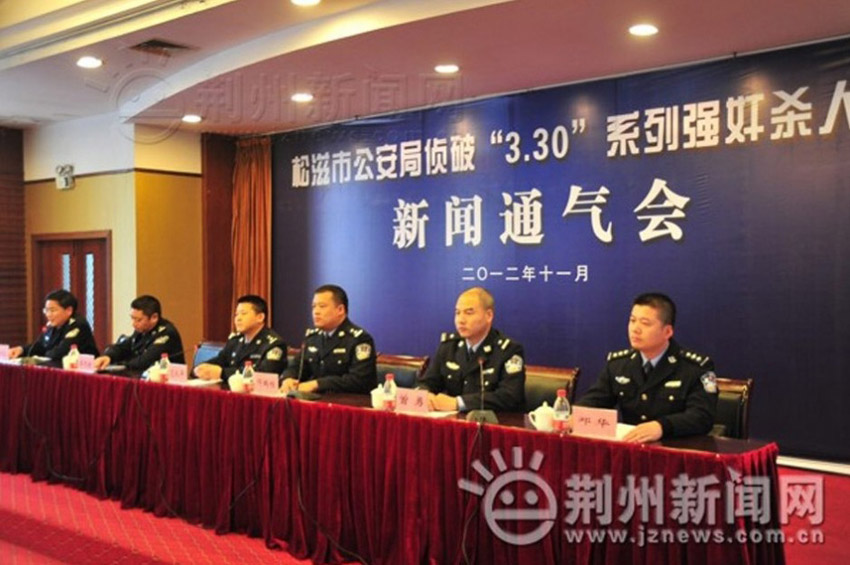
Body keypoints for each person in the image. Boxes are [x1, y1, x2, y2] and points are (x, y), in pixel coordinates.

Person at [575, 292, 718, 443]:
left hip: (674, 448)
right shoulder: (618, 364)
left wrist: (662, 427)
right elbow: (594, 400)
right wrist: (576, 416)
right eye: (632, 321)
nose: (635, 329)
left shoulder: (697, 368)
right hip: (631, 447)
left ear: (667, 332)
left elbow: (702, 416)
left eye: (645, 323)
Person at [419, 287, 525, 412]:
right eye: (457, 313)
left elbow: (509, 396)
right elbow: (427, 382)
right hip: (453, 421)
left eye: (469, 313)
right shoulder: (449, 346)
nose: (461, 320)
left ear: (489, 315)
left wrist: (458, 403)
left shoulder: (508, 350)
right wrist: (425, 396)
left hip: (491, 422)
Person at [280, 284, 376, 394]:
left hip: (345, 400)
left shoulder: (359, 339)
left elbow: (359, 380)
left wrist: (317, 384)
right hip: (315, 399)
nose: (316, 311)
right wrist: (288, 378)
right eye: (313, 307)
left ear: (340, 310)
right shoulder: (312, 337)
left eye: (322, 306)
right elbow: (296, 366)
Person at [193, 295, 287, 387]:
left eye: (243, 313)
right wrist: (202, 368)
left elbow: (264, 374)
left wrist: (222, 373)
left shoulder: (274, 344)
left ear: (260, 317)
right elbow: (220, 360)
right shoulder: (235, 340)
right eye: (236, 314)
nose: (238, 318)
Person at [93, 295, 184, 371]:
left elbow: (144, 361)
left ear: (154, 317)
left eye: (138, 320)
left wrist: (120, 365)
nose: (133, 324)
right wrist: (108, 356)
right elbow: (125, 346)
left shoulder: (166, 333)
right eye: (132, 318)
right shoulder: (143, 330)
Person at [9, 289, 98, 362]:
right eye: (46, 310)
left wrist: (40, 357)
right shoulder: (52, 325)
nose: (48, 315)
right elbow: (40, 346)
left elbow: (60, 353)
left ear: (69, 311)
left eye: (52, 310)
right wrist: (21, 350)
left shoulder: (78, 325)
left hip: (83, 371)